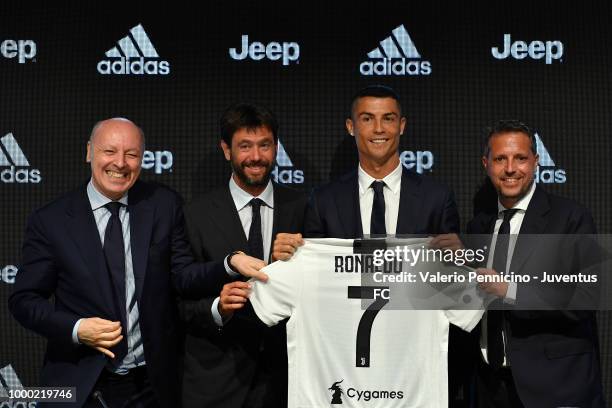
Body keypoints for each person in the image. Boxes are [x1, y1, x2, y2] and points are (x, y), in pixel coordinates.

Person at [8, 118, 267, 408]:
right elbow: (24, 301)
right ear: (89, 152)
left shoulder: (163, 205)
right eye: (110, 152)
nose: (120, 163)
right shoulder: (51, 221)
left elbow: (182, 275)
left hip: (151, 385)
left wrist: (230, 263)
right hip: (79, 384)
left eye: (131, 154)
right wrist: (77, 328)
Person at [271, 85, 470, 406]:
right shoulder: (323, 201)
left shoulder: (436, 199)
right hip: (342, 371)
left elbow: (453, 288)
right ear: (351, 127)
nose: (379, 129)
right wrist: (287, 256)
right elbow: (312, 281)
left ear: (402, 125)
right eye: (367, 119)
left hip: (410, 375)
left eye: (388, 119)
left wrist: (460, 262)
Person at [436, 119, 606, 407]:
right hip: (489, 388)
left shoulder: (569, 218)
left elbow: (588, 296)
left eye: (521, 158)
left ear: (536, 161)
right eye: (500, 159)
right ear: (486, 163)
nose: (511, 168)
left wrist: (511, 289)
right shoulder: (479, 226)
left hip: (556, 387)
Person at [179, 103, 307, 408]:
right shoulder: (194, 214)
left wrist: (300, 259)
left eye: (265, 145)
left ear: (276, 148)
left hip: (290, 381)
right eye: (244, 146)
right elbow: (178, 300)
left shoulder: (304, 209)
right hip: (216, 383)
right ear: (226, 150)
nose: (256, 157)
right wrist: (218, 309)